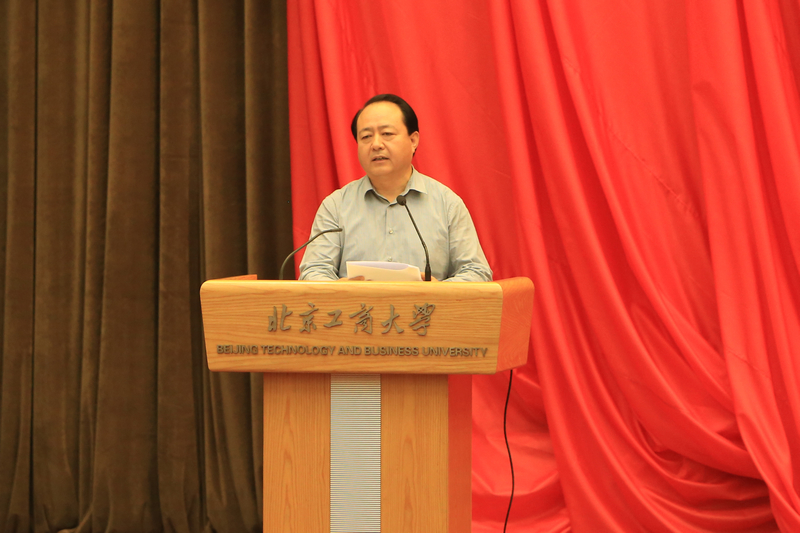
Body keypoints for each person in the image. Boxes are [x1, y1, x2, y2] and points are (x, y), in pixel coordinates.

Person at [298, 94, 492, 282]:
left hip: (426, 306)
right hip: (356, 306)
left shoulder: (447, 204)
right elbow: (313, 271)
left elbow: (477, 272)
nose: (376, 144)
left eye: (387, 134)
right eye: (366, 136)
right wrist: (340, 290)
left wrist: (439, 293)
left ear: (413, 141)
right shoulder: (336, 206)